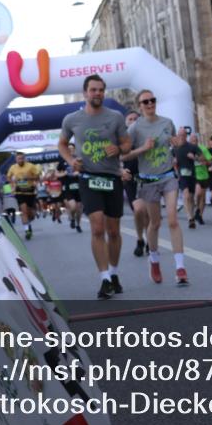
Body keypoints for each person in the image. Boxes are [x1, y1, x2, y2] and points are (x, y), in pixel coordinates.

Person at [58, 75, 131, 300]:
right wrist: (71, 161)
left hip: (111, 178)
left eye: (100, 90)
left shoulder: (115, 117)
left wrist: (118, 149)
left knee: (113, 231)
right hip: (88, 178)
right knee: (97, 228)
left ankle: (115, 273)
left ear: (104, 92)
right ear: (85, 93)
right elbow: (62, 144)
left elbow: (127, 144)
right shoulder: (72, 119)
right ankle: (105, 278)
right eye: (93, 90)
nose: (97, 93)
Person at [123, 90, 189, 285]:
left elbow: (175, 145)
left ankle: (180, 267)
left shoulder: (167, 122)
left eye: (153, 100)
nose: (150, 104)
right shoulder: (134, 129)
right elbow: (123, 156)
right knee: (155, 223)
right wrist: (143, 149)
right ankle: (154, 260)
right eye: (146, 101)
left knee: (173, 219)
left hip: (168, 175)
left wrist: (179, 143)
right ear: (140, 105)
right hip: (148, 180)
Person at [121, 110, 148, 257]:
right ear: (126, 123)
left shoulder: (146, 136)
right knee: (138, 210)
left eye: (135, 118)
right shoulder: (122, 139)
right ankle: (139, 239)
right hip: (130, 178)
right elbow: (115, 158)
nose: (133, 121)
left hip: (147, 176)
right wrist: (120, 170)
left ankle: (150, 239)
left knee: (149, 212)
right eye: (130, 119)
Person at [6, 152, 40, 240]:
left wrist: (29, 178)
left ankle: (28, 224)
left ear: (24, 158)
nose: (20, 160)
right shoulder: (13, 167)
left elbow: (38, 177)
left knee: (31, 214)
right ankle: (27, 231)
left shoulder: (31, 166)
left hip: (30, 192)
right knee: (23, 211)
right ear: (16, 159)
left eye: (22, 158)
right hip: (19, 192)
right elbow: (8, 177)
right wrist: (13, 183)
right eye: (18, 158)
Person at [174, 129, 201, 229]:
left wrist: (194, 158)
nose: (181, 136)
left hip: (192, 176)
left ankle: (192, 215)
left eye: (183, 135)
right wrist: (174, 164)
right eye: (179, 135)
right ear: (177, 135)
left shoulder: (192, 147)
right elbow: (170, 162)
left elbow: (203, 159)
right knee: (185, 195)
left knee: (191, 197)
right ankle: (189, 218)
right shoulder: (175, 148)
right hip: (182, 176)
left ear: (186, 135)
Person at [192, 133, 212, 225]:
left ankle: (200, 215)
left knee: (203, 198)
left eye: (195, 140)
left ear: (197, 141)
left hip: (204, 175)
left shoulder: (203, 149)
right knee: (198, 193)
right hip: (194, 176)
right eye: (192, 141)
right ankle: (197, 209)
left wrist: (205, 162)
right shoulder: (188, 150)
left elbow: (210, 161)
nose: (193, 142)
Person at [59, 151, 82, 233]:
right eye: (69, 149)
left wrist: (79, 172)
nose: (71, 151)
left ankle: (78, 225)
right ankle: (72, 218)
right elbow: (57, 173)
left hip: (80, 187)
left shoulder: (80, 160)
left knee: (79, 209)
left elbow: (87, 170)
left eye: (72, 149)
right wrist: (64, 173)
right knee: (73, 207)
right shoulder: (63, 161)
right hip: (69, 187)